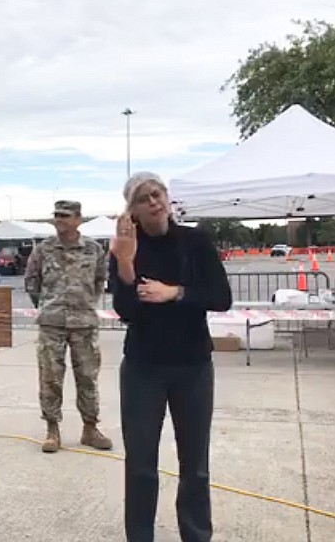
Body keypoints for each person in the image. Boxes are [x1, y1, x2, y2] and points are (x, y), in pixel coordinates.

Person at [108, 172, 231, 542]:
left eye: (157, 193)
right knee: (141, 464)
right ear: (133, 211)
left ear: (167, 197)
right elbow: (126, 309)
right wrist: (126, 264)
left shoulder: (195, 241)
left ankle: (196, 534)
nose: (154, 202)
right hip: (143, 368)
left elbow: (220, 297)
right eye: (144, 198)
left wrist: (174, 292)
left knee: (195, 465)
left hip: (192, 365)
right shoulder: (125, 247)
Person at [24, 200, 112, 453]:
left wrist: (85, 304)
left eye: (65, 215)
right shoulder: (43, 249)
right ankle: (52, 429)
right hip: (52, 323)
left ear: (78, 220)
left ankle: (90, 428)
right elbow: (32, 282)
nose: (59, 220)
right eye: (56, 215)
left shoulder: (94, 250)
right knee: (50, 377)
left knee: (87, 377)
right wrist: (48, 305)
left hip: (84, 324)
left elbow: (99, 281)